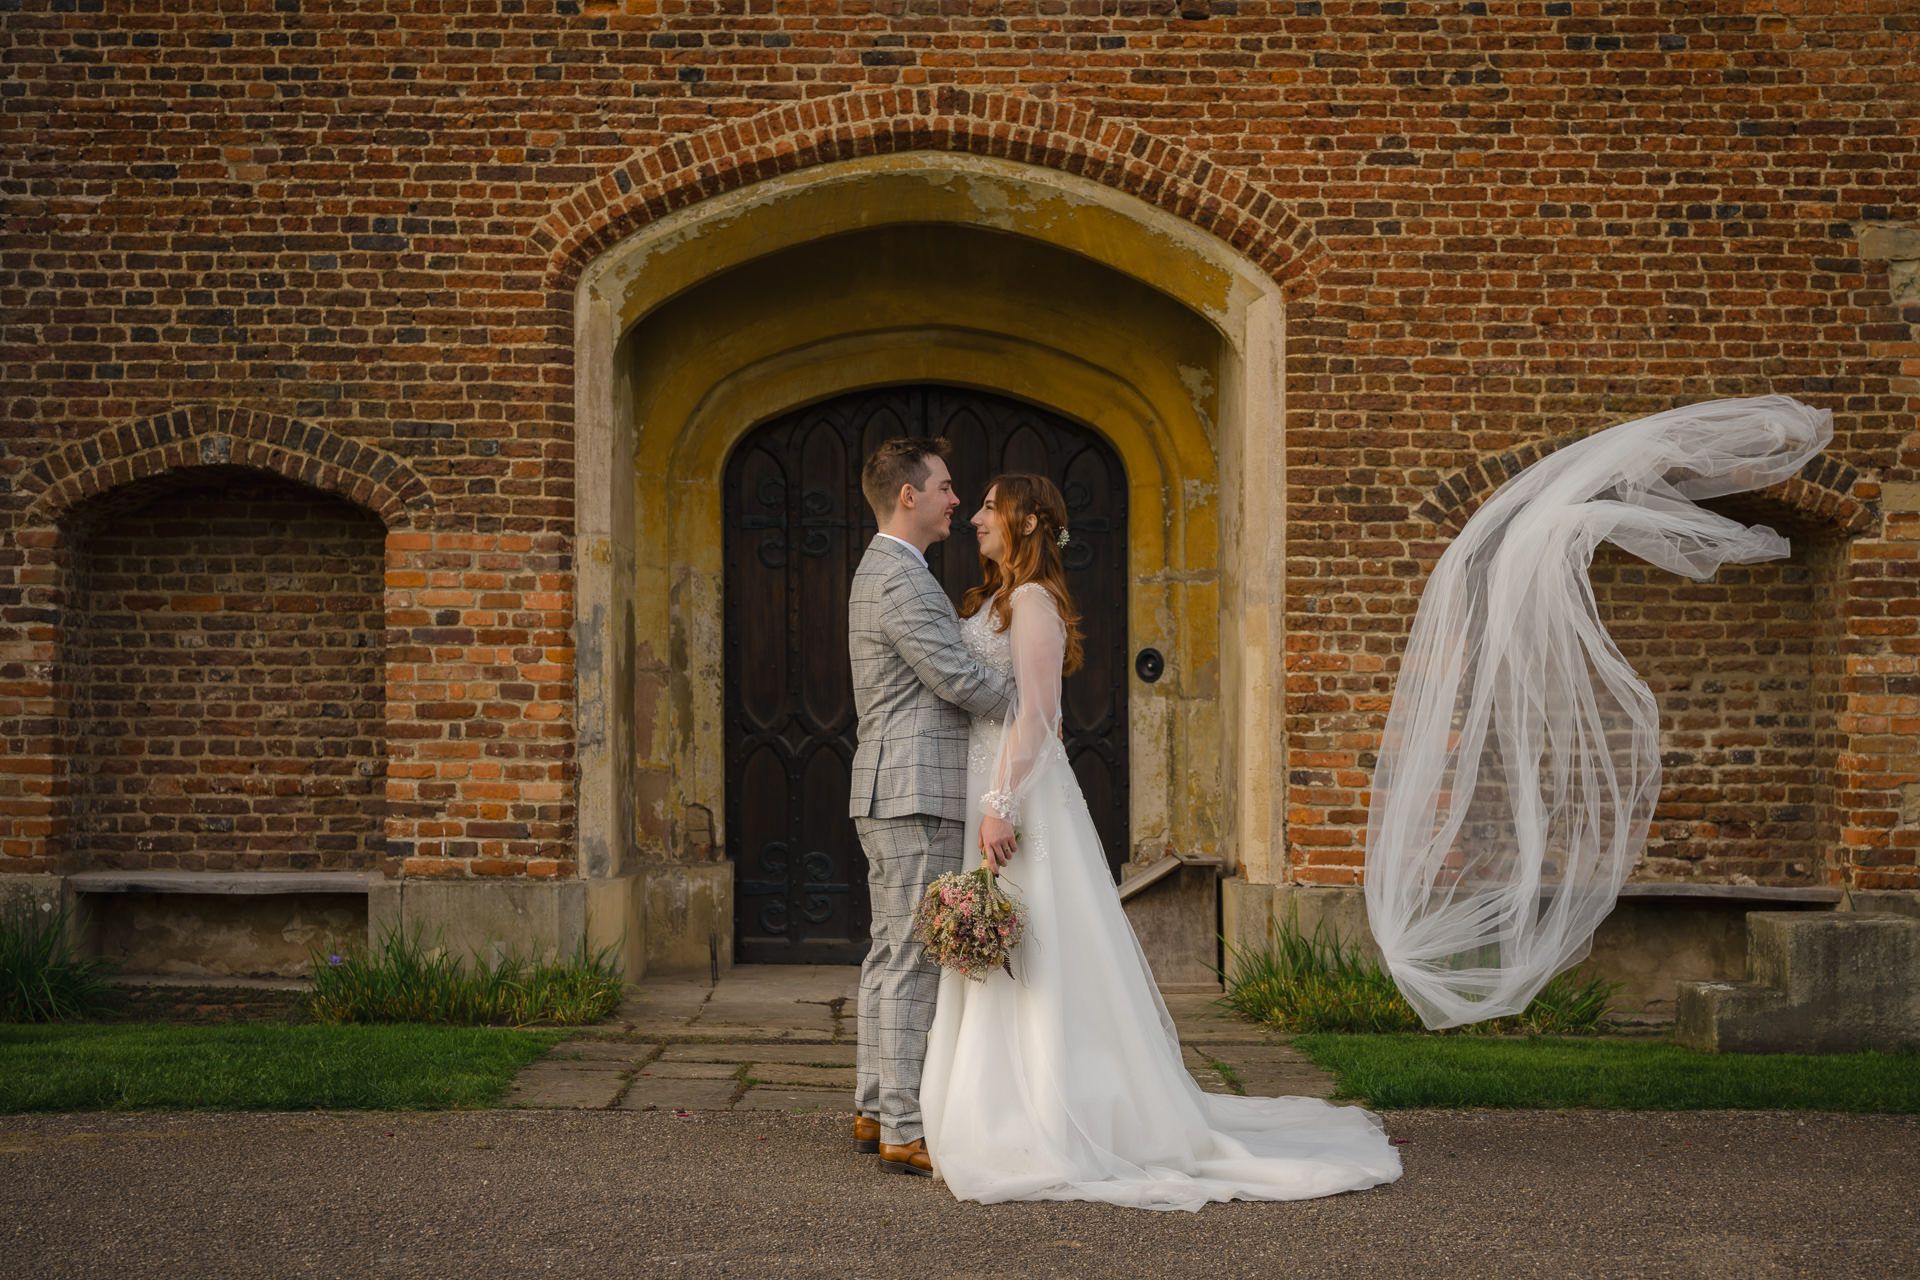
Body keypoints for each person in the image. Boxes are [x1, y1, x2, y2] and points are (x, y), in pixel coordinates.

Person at [919, 473, 1404, 1210]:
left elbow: (1041, 713)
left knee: (1038, 940)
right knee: (1004, 941)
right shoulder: (990, 600)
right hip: (995, 784)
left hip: (1020, 796)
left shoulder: (1033, 602)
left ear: (1024, 522)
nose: (977, 517)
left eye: (989, 507)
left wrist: (999, 804)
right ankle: (993, 1106)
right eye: (977, 504)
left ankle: (1048, 1114)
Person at [846, 437, 1014, 1177]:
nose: (957, 500)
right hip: (913, 790)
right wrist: (1032, 702)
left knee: (891, 952)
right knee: (911, 959)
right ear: (908, 495)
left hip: (894, 787)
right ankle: (903, 1129)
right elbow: (952, 675)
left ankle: (875, 1106)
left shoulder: (888, 569)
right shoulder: (901, 577)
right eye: (946, 487)